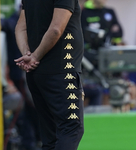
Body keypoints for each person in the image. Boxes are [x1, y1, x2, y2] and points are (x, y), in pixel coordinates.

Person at [14, 0, 84, 149]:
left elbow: (20, 28)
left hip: (36, 74)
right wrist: (34, 57)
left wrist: (27, 54)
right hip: (62, 72)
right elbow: (56, 30)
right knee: (71, 128)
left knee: (50, 135)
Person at [1, 3, 41, 150]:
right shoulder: (13, 23)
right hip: (21, 74)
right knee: (29, 110)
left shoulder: (28, 22)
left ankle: (33, 140)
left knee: (30, 110)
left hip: (25, 72)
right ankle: (30, 142)